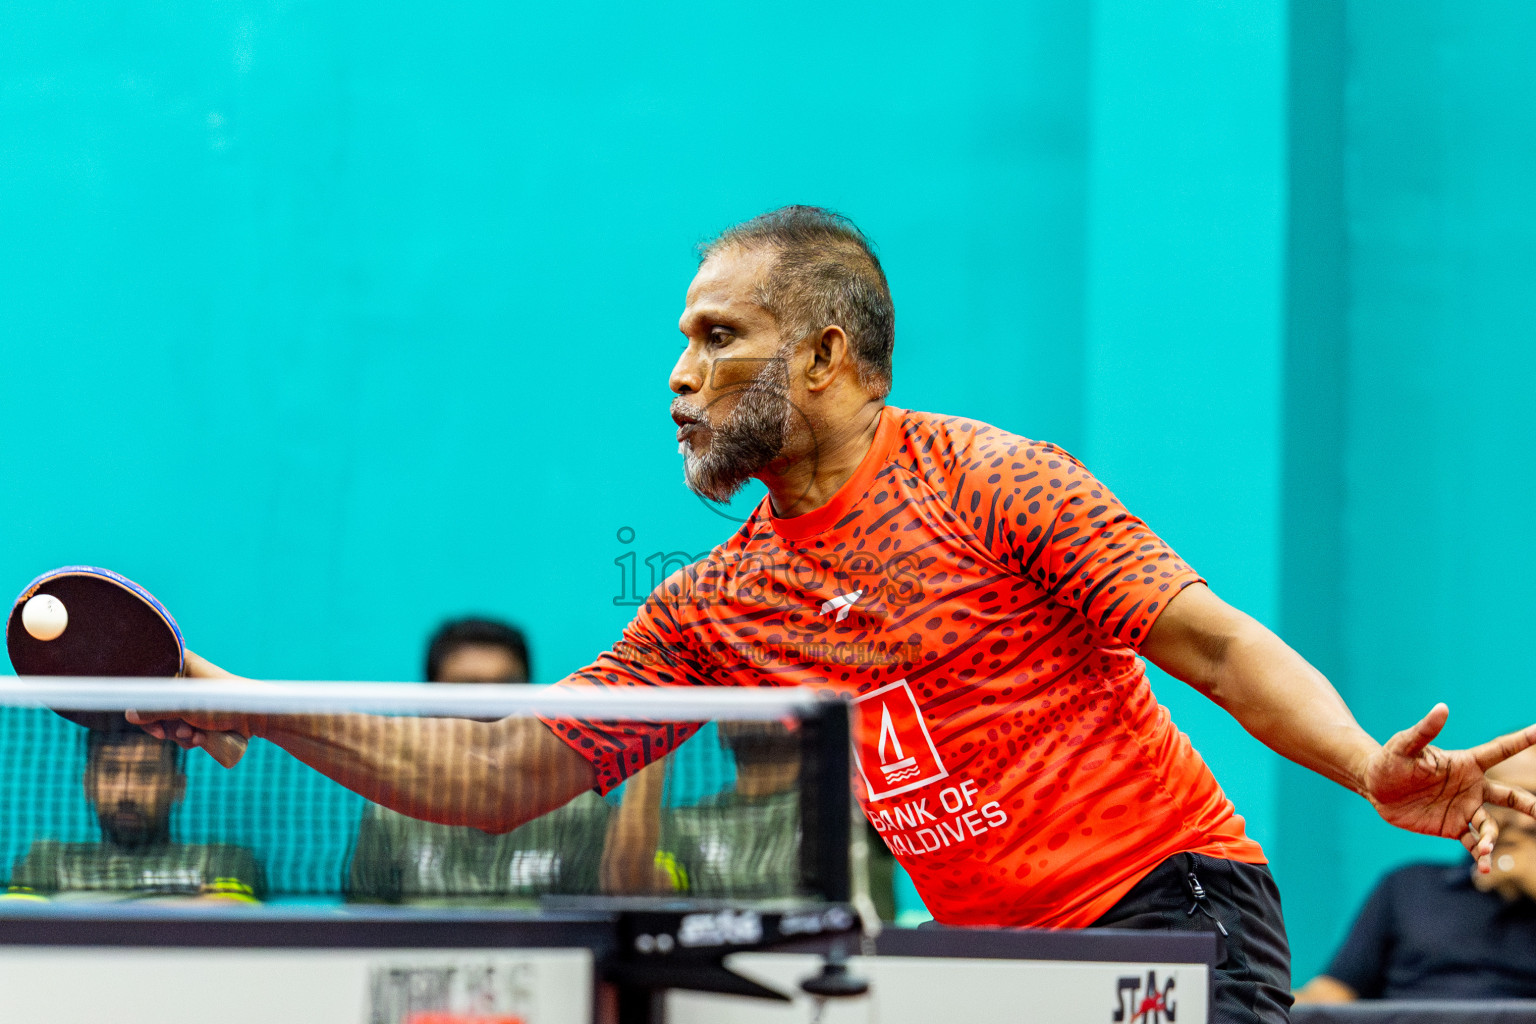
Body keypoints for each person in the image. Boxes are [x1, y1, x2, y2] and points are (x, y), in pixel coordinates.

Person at [134, 206, 1536, 1023]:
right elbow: (501, 775)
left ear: (823, 356)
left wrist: (1364, 765)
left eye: (714, 336)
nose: (677, 374)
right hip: (989, 966)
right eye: (681, 339)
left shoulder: (994, 482)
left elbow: (1218, 648)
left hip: (1166, 913)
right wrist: (229, 692)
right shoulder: (713, 606)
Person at [348, 617, 610, 903]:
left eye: (507, 687)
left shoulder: (579, 807)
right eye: (468, 689)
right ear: (430, 705)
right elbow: (366, 918)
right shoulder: (391, 806)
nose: (489, 708)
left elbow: (599, 922)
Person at [1295, 746, 1536, 1003]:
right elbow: (1330, 995)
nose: (1525, 821)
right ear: (1479, 803)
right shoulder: (1409, 887)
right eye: (1509, 800)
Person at [3, 726, 262, 902]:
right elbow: (17, 922)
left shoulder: (221, 862)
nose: (126, 791)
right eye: (111, 771)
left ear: (177, 787)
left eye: (146, 773)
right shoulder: (48, 861)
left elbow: (227, 916)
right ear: (88, 784)